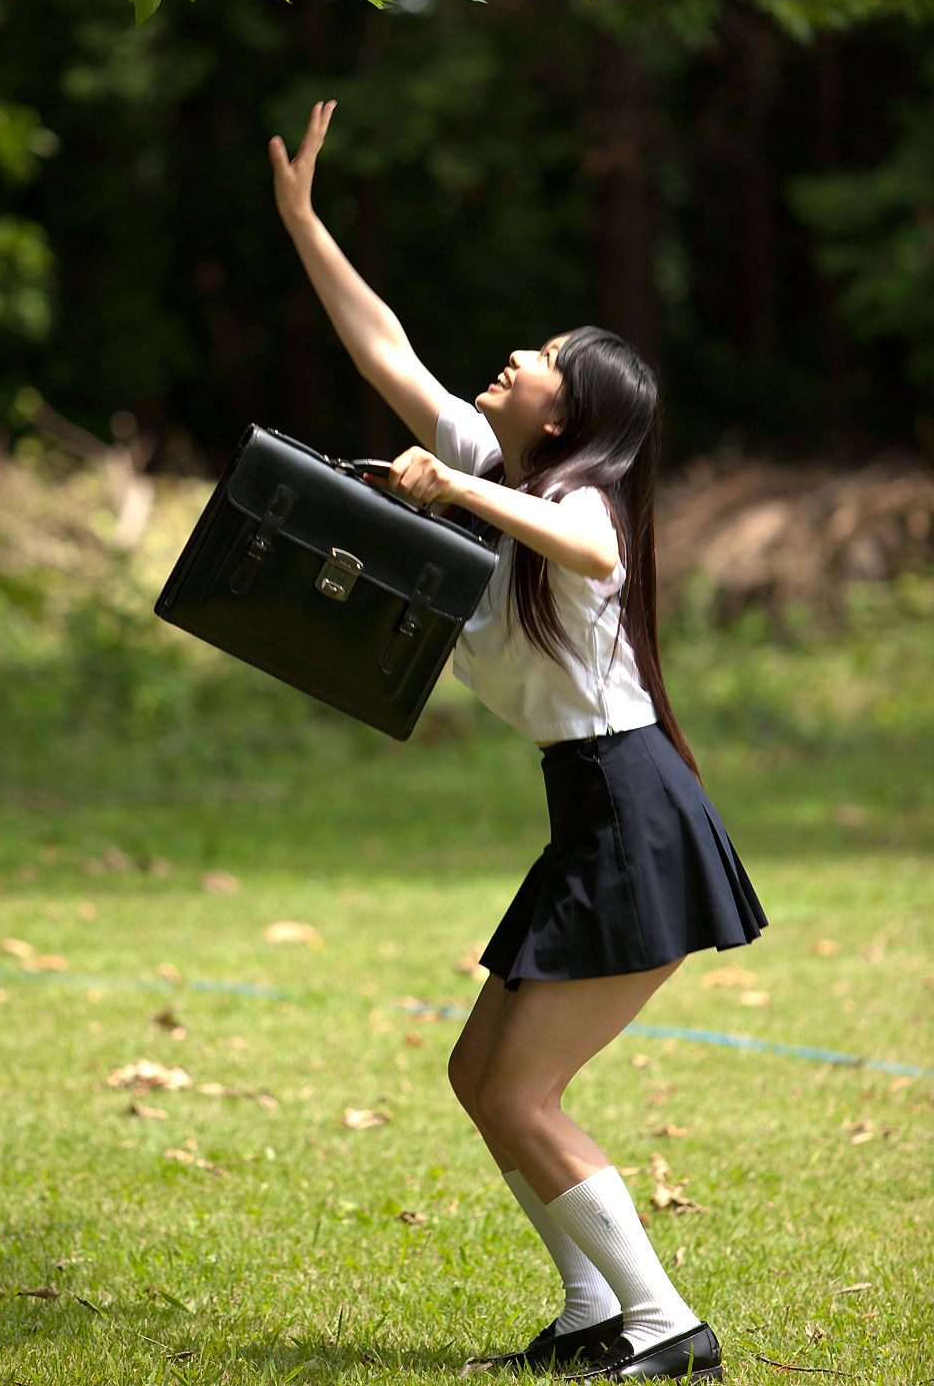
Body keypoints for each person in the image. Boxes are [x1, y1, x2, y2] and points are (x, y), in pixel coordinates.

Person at [269, 102, 766, 1386]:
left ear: (574, 409)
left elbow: (594, 552)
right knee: (476, 1070)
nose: (513, 357)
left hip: (635, 810)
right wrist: (305, 225)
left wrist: (446, 488)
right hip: (589, 805)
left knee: (523, 1095)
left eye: (541, 356)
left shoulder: (581, 499)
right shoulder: (504, 466)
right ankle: (595, 1311)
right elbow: (390, 356)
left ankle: (670, 1329)